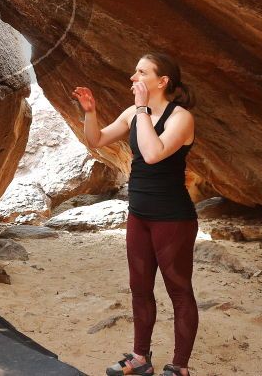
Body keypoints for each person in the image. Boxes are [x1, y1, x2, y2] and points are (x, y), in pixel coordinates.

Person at [72, 53, 198, 376]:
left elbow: (153, 153)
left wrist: (142, 110)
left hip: (173, 218)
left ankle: (180, 366)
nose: (132, 77)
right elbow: (96, 139)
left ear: (162, 81)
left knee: (179, 290)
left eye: (141, 72)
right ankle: (141, 358)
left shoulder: (180, 118)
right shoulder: (132, 113)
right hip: (138, 214)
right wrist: (90, 113)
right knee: (140, 288)